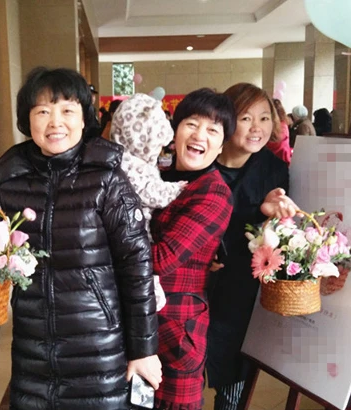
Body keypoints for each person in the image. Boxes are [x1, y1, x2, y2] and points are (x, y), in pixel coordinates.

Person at [0, 67, 161, 410]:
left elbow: (137, 268)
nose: (55, 122)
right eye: (43, 111)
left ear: (84, 118)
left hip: (99, 348)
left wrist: (144, 350)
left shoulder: (107, 179)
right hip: (34, 350)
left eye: (67, 110)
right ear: (27, 121)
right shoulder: (9, 178)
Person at [206, 83, 298, 410]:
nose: (256, 127)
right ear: (227, 120)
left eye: (264, 118)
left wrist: (270, 213)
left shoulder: (275, 170)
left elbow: (279, 233)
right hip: (197, 287)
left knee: (234, 375)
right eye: (246, 118)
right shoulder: (201, 160)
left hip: (243, 291)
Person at [150, 88, 235, 410]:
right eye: (192, 124)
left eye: (213, 130)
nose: (200, 135)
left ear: (222, 145)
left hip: (177, 330)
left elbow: (162, 259)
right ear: (176, 130)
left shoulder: (213, 193)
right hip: (138, 323)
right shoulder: (158, 177)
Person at [110, 92, 184, 237]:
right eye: (157, 146)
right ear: (140, 142)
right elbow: (149, 193)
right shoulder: (129, 165)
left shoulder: (123, 158)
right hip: (135, 232)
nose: (159, 150)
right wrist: (175, 189)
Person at [265, 98, 292, 165]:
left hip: (274, 162)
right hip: (283, 160)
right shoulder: (284, 125)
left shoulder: (278, 127)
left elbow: (274, 144)